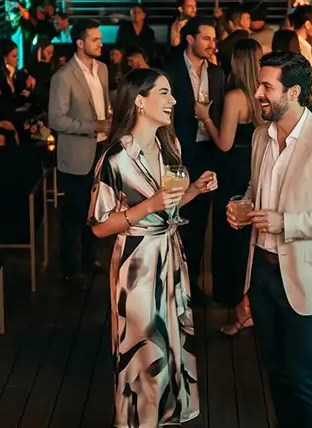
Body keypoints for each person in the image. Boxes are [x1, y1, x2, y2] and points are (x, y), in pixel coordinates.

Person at [226, 50, 312, 428]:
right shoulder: (260, 136)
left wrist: (285, 223)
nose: (258, 94)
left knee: (302, 376)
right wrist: (243, 206)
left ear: (294, 92)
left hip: (305, 276)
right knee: (274, 368)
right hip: (262, 273)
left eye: (266, 87)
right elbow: (256, 189)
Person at [89, 68, 218, 428]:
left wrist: (195, 190)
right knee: (143, 346)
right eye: (164, 93)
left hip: (170, 254)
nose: (173, 100)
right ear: (140, 101)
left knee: (172, 341)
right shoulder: (114, 158)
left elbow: (169, 207)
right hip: (136, 262)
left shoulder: (169, 145)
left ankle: (166, 417)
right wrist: (148, 206)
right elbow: (99, 226)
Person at [195, 37, 264, 334]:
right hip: (256, 167)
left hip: (233, 169)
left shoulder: (236, 96)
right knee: (250, 236)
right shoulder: (263, 94)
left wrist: (205, 118)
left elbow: (224, 143)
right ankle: (250, 302)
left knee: (229, 235)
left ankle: (236, 303)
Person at [163, 17, 226, 301]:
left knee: (200, 222)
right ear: (190, 40)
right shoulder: (171, 71)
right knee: (176, 218)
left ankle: (194, 284)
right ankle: (173, 283)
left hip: (207, 152)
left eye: (214, 39)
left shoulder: (218, 73)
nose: (212, 44)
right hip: (179, 154)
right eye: (206, 38)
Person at [48, 19, 111, 281]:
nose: (101, 43)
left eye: (100, 38)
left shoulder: (103, 69)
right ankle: (71, 269)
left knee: (96, 209)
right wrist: (93, 126)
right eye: (95, 40)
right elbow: (55, 120)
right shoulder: (63, 77)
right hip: (76, 155)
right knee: (74, 214)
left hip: (102, 149)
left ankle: (91, 258)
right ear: (80, 43)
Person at [0, 38, 34, 144]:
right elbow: (3, 101)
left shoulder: (16, 73)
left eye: (17, 56)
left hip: (11, 111)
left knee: (32, 114)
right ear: (4, 58)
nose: (17, 59)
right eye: (14, 56)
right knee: (25, 119)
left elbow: (20, 92)